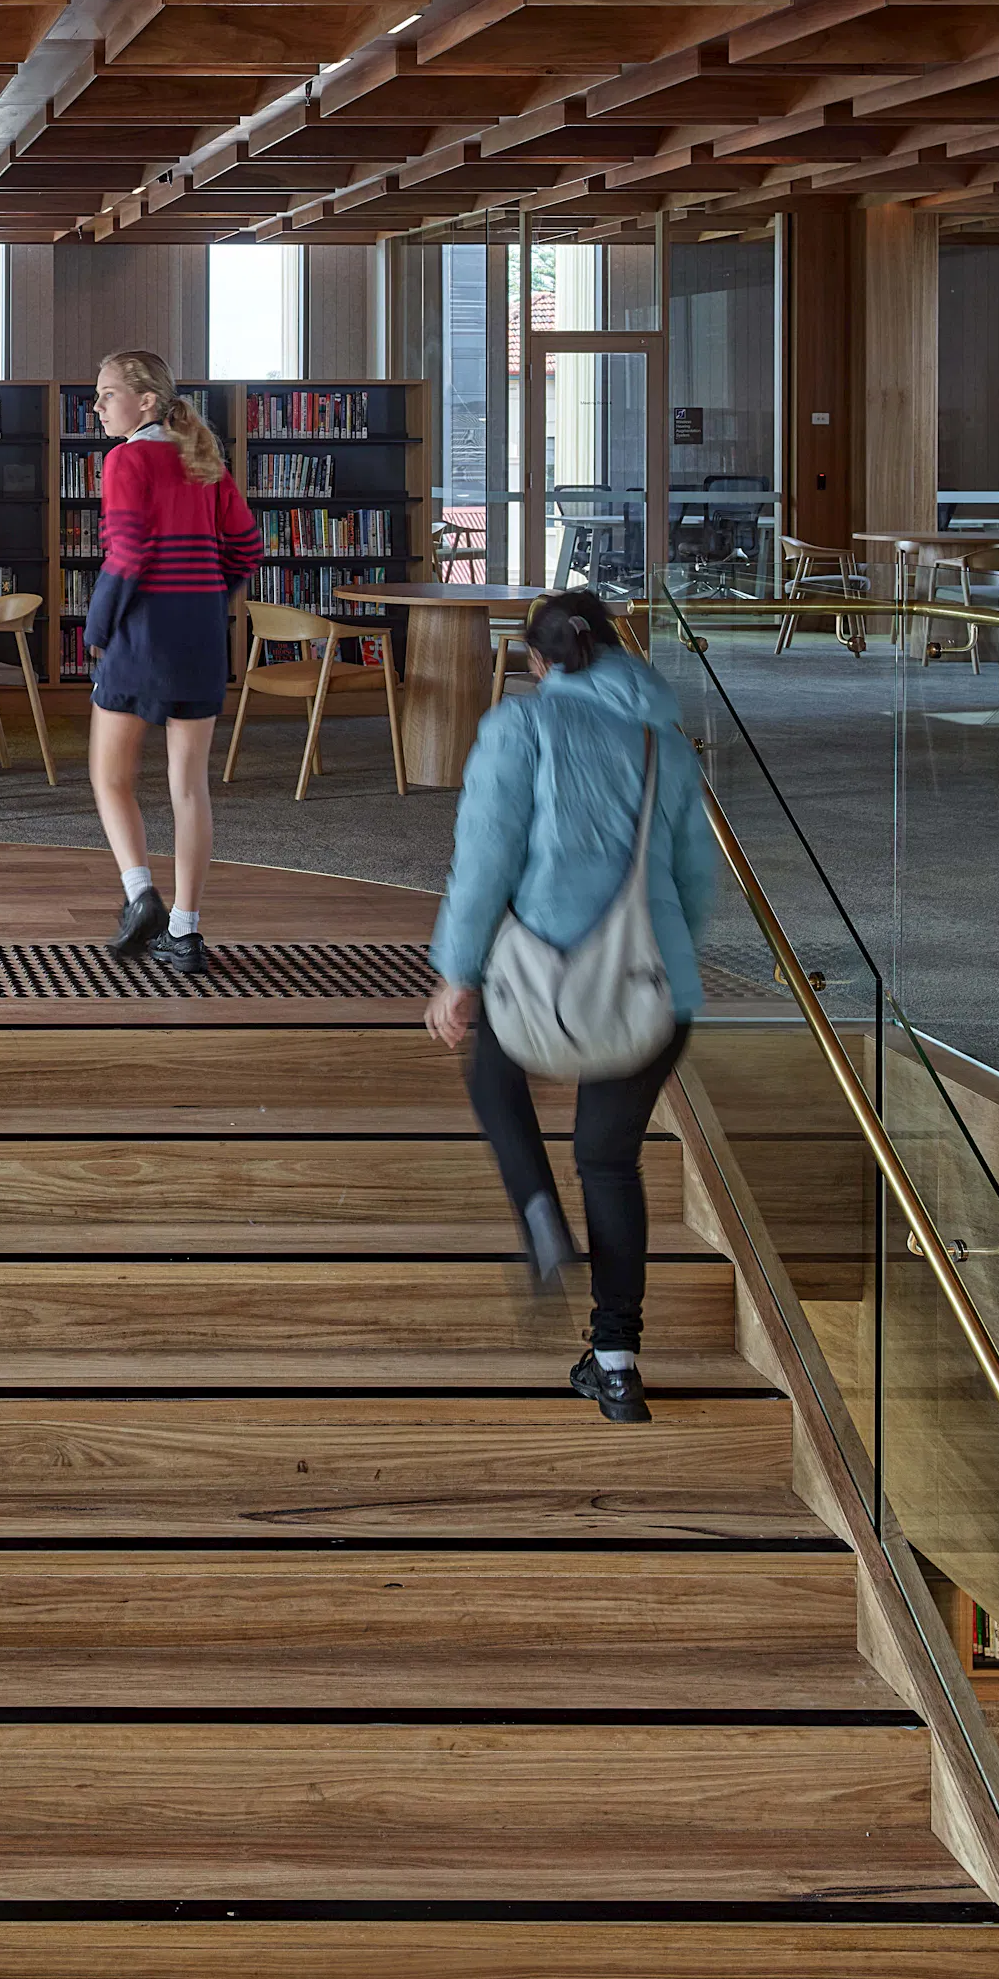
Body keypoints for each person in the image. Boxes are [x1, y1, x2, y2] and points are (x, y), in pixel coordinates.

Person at [422, 588, 719, 1425]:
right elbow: (698, 882)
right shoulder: (668, 744)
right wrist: (661, 960)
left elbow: (483, 857)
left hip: (543, 982)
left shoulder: (522, 726)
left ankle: (538, 1213)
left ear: (539, 663)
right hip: (650, 991)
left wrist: (458, 973)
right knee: (609, 1158)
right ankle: (618, 1363)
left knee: (492, 1066)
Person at [82, 349, 261, 978]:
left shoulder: (126, 459)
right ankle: (185, 934)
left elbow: (126, 555)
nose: (97, 405)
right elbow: (247, 548)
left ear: (146, 402)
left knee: (110, 777)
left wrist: (96, 627)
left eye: (107, 394)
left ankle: (141, 897)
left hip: (140, 638)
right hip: (200, 640)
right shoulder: (204, 459)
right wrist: (208, 598)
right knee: (189, 788)